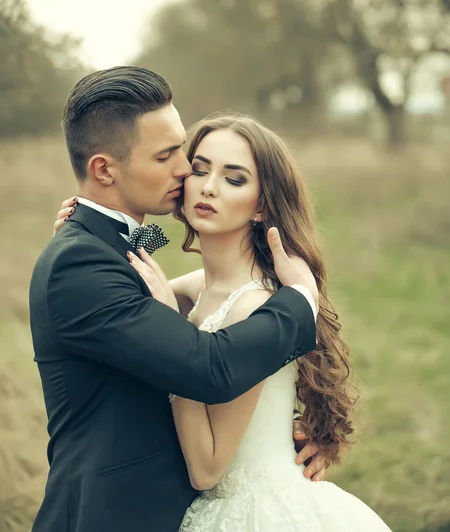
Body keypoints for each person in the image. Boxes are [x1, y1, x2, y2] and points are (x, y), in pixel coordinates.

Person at [30, 66, 321, 532]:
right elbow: (209, 366)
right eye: (171, 156)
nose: (188, 173)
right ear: (104, 169)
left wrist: (290, 438)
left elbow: (136, 249)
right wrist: (304, 298)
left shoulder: (110, 247)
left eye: (184, 152)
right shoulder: (81, 263)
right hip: (113, 515)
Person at [121, 114, 393, 531]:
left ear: (262, 205)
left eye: (234, 179)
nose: (209, 186)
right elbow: (127, 281)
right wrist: (91, 228)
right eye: (199, 169)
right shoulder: (199, 287)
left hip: (254, 512)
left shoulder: (250, 307)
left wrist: (170, 333)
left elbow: (207, 470)